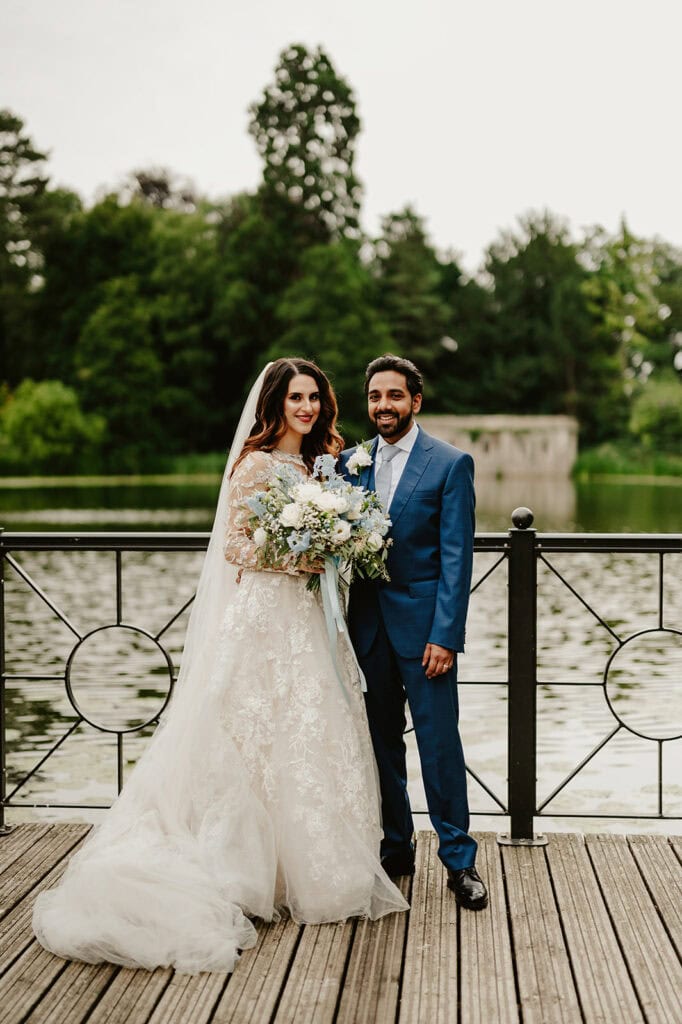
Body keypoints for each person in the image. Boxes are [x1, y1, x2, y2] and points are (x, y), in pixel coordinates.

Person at [32, 358, 408, 975]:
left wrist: (335, 541)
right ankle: (242, 868)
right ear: (274, 405)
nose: (307, 408)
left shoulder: (326, 465)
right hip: (264, 620)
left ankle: (306, 867)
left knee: (312, 729)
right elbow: (236, 545)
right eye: (295, 398)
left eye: (314, 397)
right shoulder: (256, 465)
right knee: (253, 734)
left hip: (312, 622)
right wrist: (304, 554)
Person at [339, 354, 488, 910]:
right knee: (379, 746)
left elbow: (457, 559)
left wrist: (446, 636)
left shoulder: (450, 464)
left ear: (415, 401)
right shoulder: (350, 465)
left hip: (426, 635)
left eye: (394, 396)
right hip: (367, 632)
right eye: (375, 396)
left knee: (439, 745)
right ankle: (395, 849)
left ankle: (460, 861)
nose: (383, 406)